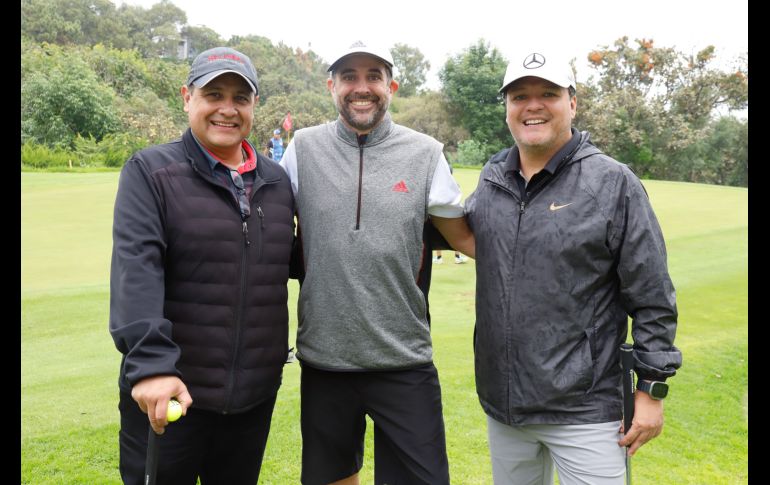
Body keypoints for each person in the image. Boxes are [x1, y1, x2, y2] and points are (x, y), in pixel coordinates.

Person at [465, 47, 682, 484]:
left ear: (573, 103)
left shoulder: (612, 182)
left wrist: (652, 388)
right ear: (507, 108)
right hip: (506, 407)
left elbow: (652, 294)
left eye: (548, 93)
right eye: (519, 96)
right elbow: (461, 234)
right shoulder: (492, 178)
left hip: (587, 412)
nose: (532, 105)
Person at [279, 40, 474, 485]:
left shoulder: (426, 153)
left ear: (392, 86)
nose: (360, 87)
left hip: (403, 359)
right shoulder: (302, 149)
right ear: (332, 86)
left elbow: (465, 237)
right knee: (333, 477)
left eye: (373, 76)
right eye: (349, 76)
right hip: (326, 360)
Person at [109, 46, 295, 485]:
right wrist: (152, 366)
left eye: (240, 98)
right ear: (187, 98)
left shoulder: (276, 180)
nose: (227, 109)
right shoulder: (151, 171)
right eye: (214, 94)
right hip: (172, 394)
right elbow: (138, 268)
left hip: (252, 400)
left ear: (253, 106)